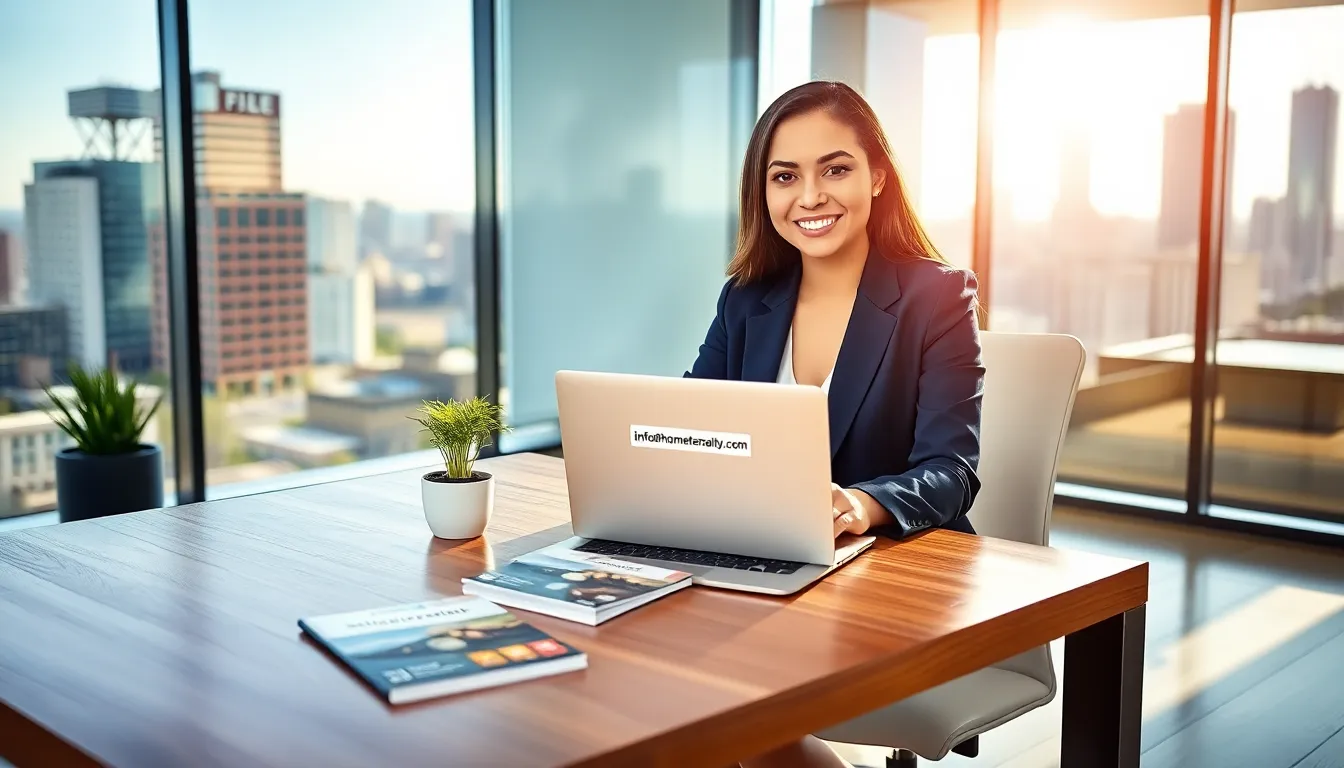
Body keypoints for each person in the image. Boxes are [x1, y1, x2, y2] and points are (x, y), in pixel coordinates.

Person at [685, 81, 985, 768]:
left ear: (878, 174)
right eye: (785, 176)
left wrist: (859, 503)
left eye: (836, 168)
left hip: (883, 583)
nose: (810, 196)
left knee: (722, 708)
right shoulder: (746, 300)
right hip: (758, 572)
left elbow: (951, 470)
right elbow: (694, 420)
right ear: (763, 193)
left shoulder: (937, 296)